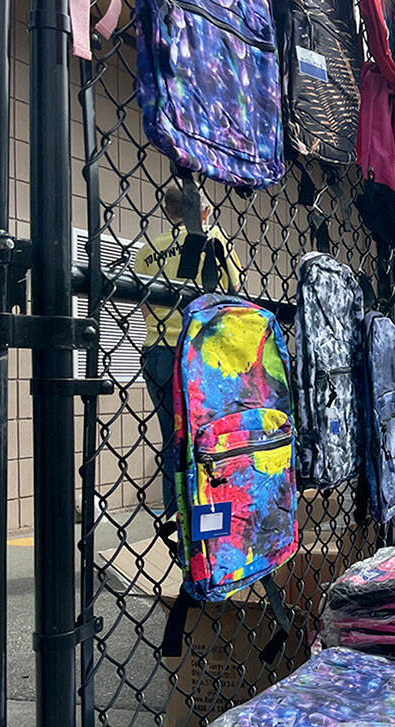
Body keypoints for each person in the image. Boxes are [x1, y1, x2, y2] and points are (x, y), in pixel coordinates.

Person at [134, 186, 242, 517]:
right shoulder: (214, 239)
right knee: (210, 440)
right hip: (203, 354)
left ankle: (174, 522)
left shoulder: (147, 251)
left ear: (168, 212)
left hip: (158, 352)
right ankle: (210, 524)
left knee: (173, 442)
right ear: (204, 212)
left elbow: (146, 310)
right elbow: (235, 291)